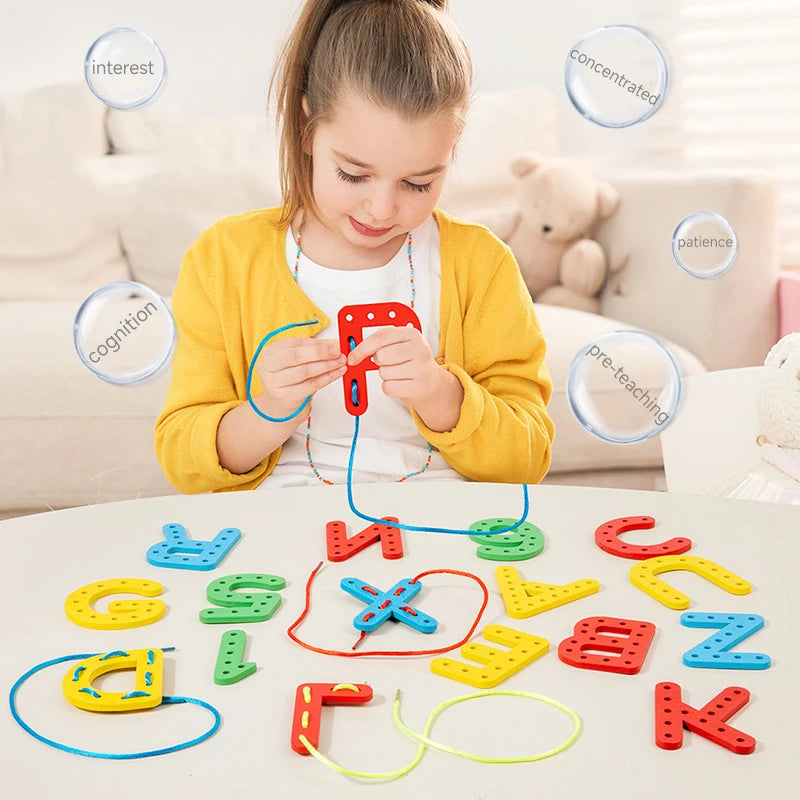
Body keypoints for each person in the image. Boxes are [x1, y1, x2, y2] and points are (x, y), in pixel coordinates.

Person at [154, 0, 554, 493]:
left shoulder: (481, 265)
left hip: (445, 518)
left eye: (418, 183)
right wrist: (267, 412)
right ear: (306, 129)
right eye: (353, 174)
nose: (382, 209)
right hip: (282, 521)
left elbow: (528, 457)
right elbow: (181, 459)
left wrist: (441, 394)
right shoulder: (224, 260)